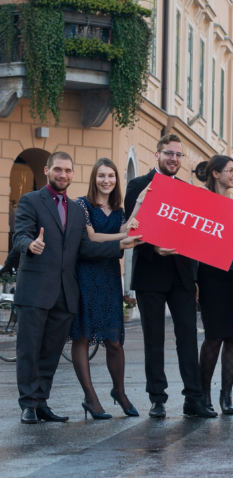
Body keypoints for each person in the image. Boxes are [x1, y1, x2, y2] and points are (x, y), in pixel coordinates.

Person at [13, 152, 140, 424]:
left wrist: (119, 245)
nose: (63, 174)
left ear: (73, 174)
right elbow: (20, 234)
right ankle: (28, 405)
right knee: (29, 349)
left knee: (50, 351)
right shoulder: (30, 200)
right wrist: (30, 245)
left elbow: (84, 247)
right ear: (47, 170)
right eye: (58, 169)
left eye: (68, 170)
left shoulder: (74, 209)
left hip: (66, 291)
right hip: (36, 289)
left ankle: (42, 403)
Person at [125, 134, 217, 419]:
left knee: (188, 338)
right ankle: (157, 399)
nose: (174, 159)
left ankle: (194, 398)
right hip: (150, 272)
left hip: (182, 277)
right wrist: (154, 245)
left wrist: (197, 278)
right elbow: (130, 228)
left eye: (178, 155)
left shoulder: (188, 191)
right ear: (157, 155)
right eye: (169, 154)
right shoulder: (137, 186)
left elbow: (195, 236)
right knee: (153, 339)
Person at [69, 158, 139, 420]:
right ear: (94, 178)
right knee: (83, 337)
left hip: (110, 277)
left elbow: (127, 226)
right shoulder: (82, 205)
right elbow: (92, 237)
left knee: (114, 341)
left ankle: (119, 392)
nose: (106, 180)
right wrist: (123, 238)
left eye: (111, 176)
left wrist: (142, 200)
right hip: (86, 276)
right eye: (101, 176)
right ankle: (91, 397)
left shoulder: (119, 210)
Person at [195, 155, 233, 415]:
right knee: (214, 336)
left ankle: (226, 395)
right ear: (215, 173)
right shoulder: (199, 202)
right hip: (210, 276)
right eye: (230, 170)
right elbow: (190, 243)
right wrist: (194, 279)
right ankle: (203, 392)